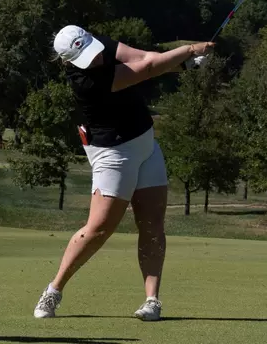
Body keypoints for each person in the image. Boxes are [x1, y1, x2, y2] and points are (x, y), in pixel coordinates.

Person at [32, 25, 215, 321]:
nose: (94, 58)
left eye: (92, 51)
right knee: (99, 228)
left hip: (146, 144)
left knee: (152, 225)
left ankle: (152, 300)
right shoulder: (86, 82)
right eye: (85, 58)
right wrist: (190, 51)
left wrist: (185, 65)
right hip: (113, 153)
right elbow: (147, 68)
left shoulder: (100, 45)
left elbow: (145, 56)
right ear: (67, 61)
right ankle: (54, 290)